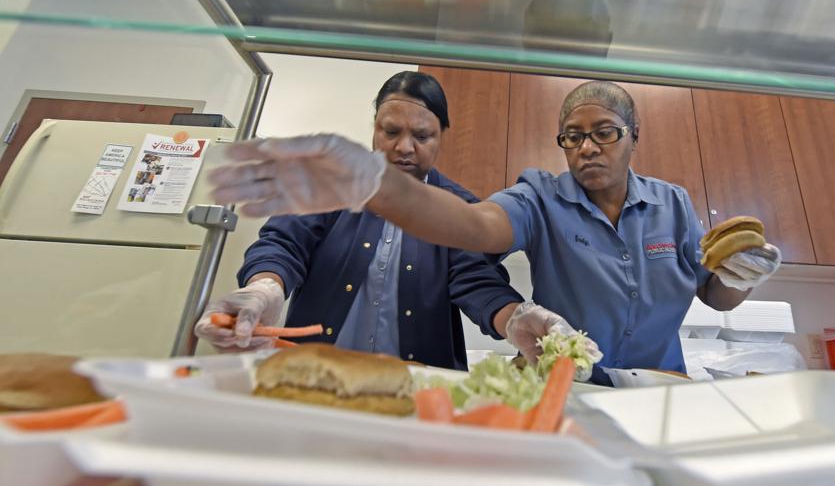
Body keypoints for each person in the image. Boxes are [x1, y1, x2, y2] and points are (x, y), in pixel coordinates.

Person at [208, 80, 780, 385]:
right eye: (572, 136)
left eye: (604, 133)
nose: (586, 147)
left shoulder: (674, 203)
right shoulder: (540, 196)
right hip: (569, 384)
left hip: (659, 382)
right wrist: (263, 291)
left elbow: (715, 294)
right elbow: (473, 228)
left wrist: (741, 277)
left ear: (633, 136)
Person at [193, 71, 536, 371]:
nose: (404, 147)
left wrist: (515, 318)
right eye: (390, 132)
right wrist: (263, 289)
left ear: (442, 136)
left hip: (416, 388)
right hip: (314, 374)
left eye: (421, 136)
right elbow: (284, 244)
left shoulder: (460, 206)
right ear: (374, 128)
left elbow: (475, 278)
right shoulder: (331, 184)